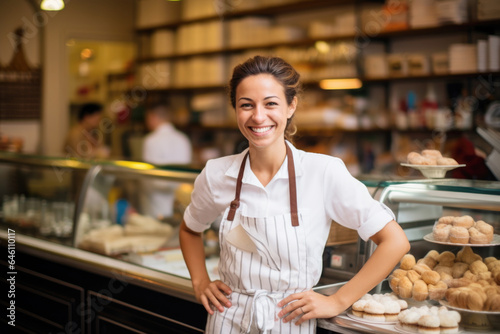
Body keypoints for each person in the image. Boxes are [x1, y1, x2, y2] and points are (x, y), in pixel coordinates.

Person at [179, 56, 410, 333]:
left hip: (290, 320)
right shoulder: (217, 173)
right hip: (228, 318)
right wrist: (200, 281)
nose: (258, 116)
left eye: (271, 103)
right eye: (246, 105)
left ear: (291, 106)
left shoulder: (323, 172)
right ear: (236, 110)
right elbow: (190, 229)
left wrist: (338, 300)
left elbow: (395, 242)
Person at [141, 101, 192, 219]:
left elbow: (148, 177)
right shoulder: (183, 139)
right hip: (181, 201)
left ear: (152, 116)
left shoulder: (150, 140)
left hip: (155, 202)